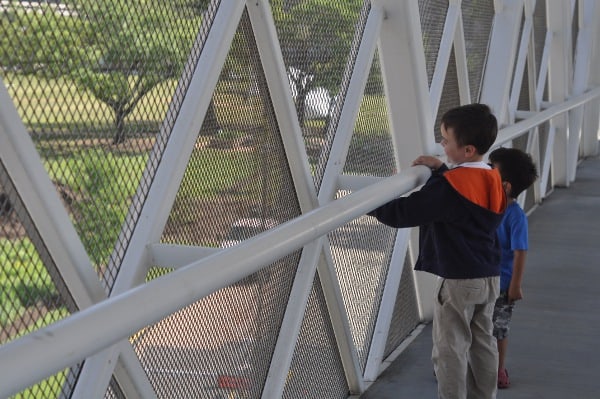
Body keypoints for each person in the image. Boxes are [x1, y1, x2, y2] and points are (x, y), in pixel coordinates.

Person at [368, 103, 506, 399]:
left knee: (450, 348)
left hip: (459, 281)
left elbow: (406, 212)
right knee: (483, 341)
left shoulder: (451, 188)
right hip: (489, 275)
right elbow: (462, 203)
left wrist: (370, 202)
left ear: (467, 150)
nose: (441, 144)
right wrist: (441, 169)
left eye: (445, 140)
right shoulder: (492, 177)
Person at [487, 147, 538, 389]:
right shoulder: (485, 206)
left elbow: (520, 251)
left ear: (505, 186)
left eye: (490, 171)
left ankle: (499, 369)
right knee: (471, 324)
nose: (485, 174)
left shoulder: (515, 216)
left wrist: (515, 285)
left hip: (503, 284)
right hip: (479, 277)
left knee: (498, 328)